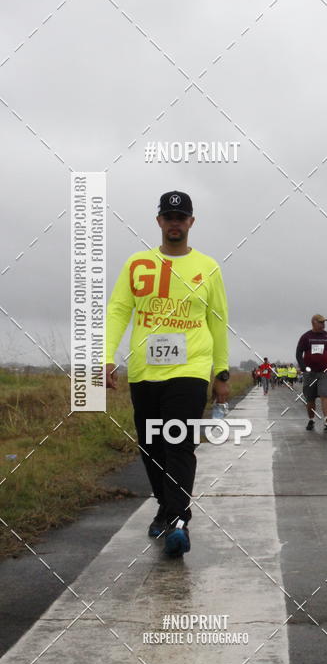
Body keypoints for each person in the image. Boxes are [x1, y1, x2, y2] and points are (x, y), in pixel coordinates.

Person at [105, 191, 229, 558]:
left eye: (181, 216)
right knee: (151, 447)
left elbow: (218, 322)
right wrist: (105, 357)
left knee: (178, 442)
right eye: (168, 216)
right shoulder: (137, 264)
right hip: (145, 371)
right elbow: (117, 312)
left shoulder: (208, 268)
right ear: (159, 221)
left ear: (191, 222)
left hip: (190, 370)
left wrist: (220, 372)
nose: (175, 222)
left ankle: (177, 521)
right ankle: (166, 507)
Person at [296, 314, 327, 432]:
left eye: (324, 323)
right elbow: (298, 354)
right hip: (310, 373)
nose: (323, 325)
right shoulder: (306, 337)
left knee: (325, 395)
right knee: (310, 398)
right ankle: (311, 420)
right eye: (321, 322)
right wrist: (303, 367)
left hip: (325, 372)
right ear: (313, 323)